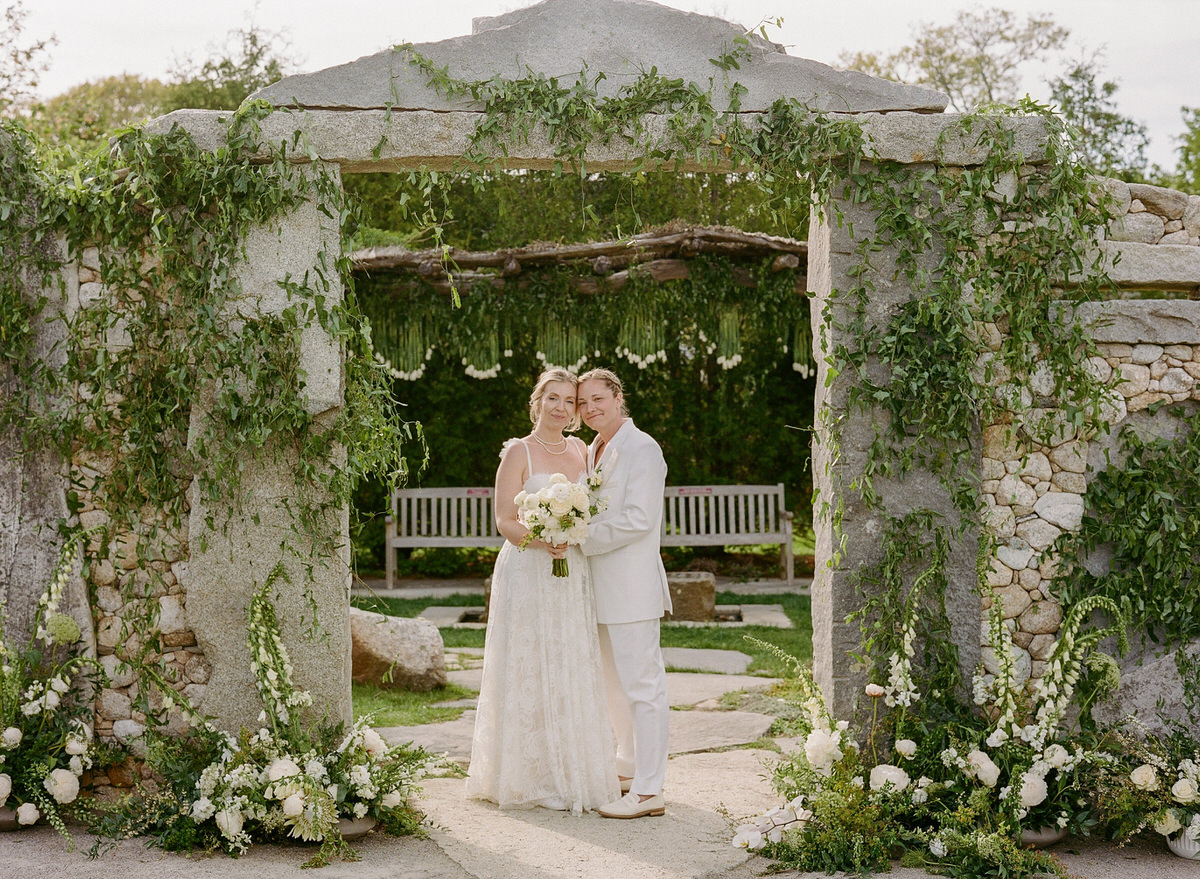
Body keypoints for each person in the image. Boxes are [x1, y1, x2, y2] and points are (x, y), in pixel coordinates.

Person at [465, 368, 619, 814]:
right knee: (528, 663)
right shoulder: (518, 451)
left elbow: (593, 506)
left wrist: (569, 534)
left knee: (568, 659)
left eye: (569, 402)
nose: (561, 407)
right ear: (537, 402)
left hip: (570, 569)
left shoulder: (580, 450)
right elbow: (504, 520)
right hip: (528, 568)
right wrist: (539, 538)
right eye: (552, 398)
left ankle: (569, 768)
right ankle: (525, 775)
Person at [578, 367, 672, 820]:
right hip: (595, 588)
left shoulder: (642, 448)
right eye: (583, 403)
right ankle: (628, 767)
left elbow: (638, 518)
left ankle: (651, 789)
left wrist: (580, 536)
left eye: (598, 398)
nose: (590, 408)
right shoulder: (592, 449)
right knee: (614, 686)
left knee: (644, 686)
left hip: (632, 588)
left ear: (618, 397)